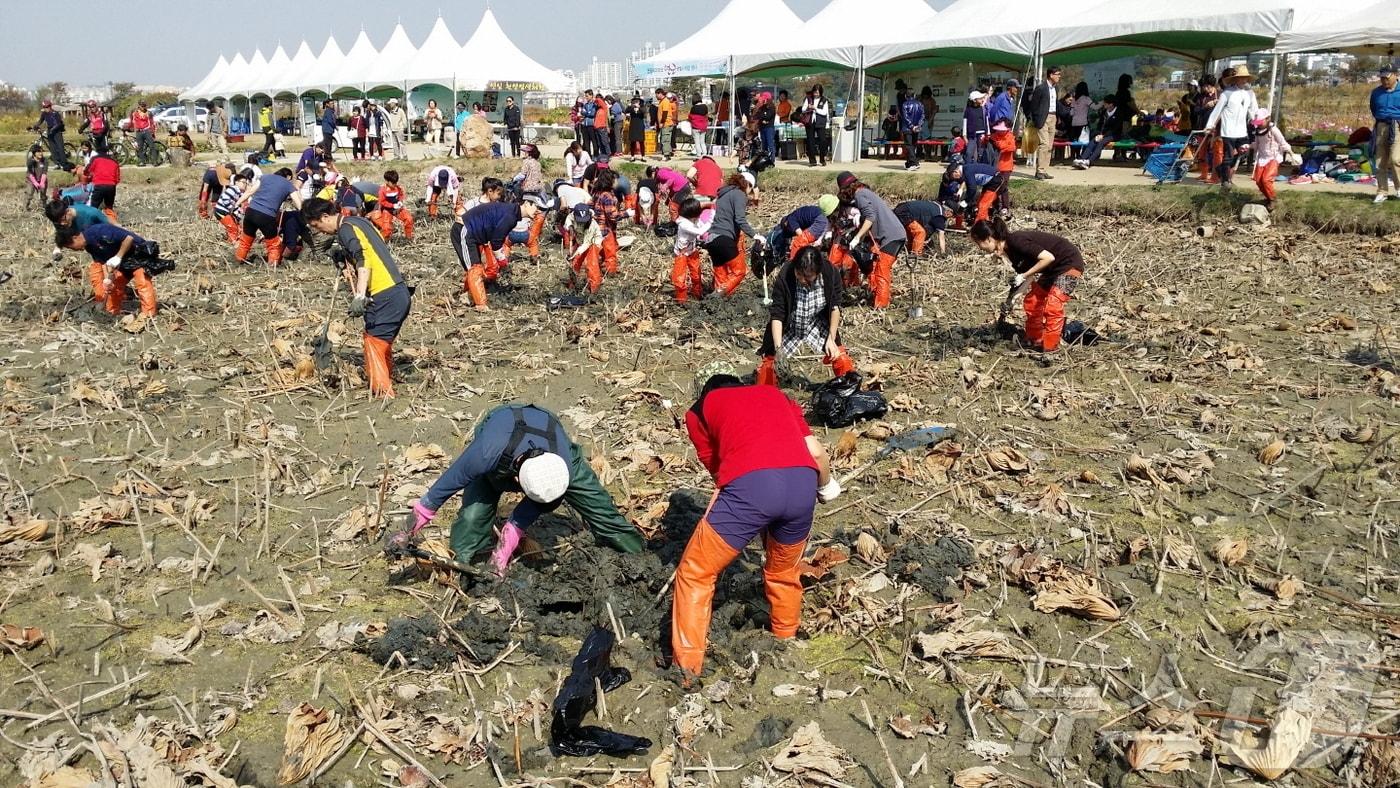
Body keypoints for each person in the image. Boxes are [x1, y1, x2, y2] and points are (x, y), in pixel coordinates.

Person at [671, 364, 839, 680]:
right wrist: (826, 487)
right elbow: (816, 454)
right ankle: (785, 641)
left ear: (705, 392)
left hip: (752, 490)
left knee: (696, 572)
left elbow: (719, 470)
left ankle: (687, 668)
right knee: (783, 570)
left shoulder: (698, 412)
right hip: (803, 485)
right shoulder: (776, 395)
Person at [393, 404, 644, 575]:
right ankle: (462, 570)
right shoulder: (484, 453)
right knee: (472, 518)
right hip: (502, 429)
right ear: (516, 482)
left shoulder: (562, 469)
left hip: (550, 436)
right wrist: (406, 531)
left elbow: (523, 517)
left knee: (601, 509)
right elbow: (436, 496)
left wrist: (500, 558)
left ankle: (640, 556)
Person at [302, 198, 411, 398]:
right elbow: (370, 246)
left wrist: (359, 296)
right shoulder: (358, 222)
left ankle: (382, 393)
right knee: (379, 339)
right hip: (398, 291)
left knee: (374, 342)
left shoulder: (345, 229)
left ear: (325, 217)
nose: (320, 231)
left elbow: (364, 259)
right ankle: (387, 378)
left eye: (317, 226)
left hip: (385, 293)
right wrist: (343, 255)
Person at [971, 216, 1084, 353]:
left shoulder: (1016, 241)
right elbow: (1028, 278)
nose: (979, 248)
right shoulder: (1011, 253)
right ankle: (1034, 340)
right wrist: (1012, 300)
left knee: (1053, 305)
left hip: (1068, 263)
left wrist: (1022, 276)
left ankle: (1050, 349)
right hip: (1052, 270)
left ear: (988, 239)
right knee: (1032, 301)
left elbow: (1048, 258)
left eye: (979, 243)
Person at [756, 245, 855, 386]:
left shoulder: (830, 273)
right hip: (791, 322)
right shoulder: (785, 274)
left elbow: (834, 307)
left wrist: (831, 338)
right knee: (770, 362)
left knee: (838, 354)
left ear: (818, 272)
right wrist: (778, 349)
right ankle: (765, 393)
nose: (802, 279)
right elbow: (777, 315)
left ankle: (849, 387)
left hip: (816, 321)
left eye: (808, 276)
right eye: (799, 274)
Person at [55, 221, 160, 318]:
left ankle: (149, 315)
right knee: (114, 286)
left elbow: (128, 239)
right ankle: (112, 314)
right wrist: (108, 279)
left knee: (142, 282)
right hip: (123, 262)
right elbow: (104, 262)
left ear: (75, 237)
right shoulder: (90, 246)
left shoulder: (99, 231)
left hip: (138, 254)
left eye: (71, 247)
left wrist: (118, 256)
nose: (74, 250)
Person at [836, 172, 905, 309]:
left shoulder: (860, 195)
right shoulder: (866, 192)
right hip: (896, 233)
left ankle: (881, 306)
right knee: (876, 266)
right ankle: (877, 296)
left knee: (881, 271)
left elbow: (870, 217)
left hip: (891, 236)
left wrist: (856, 238)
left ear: (846, 188)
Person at [459, 198, 539, 310]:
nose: (538, 211)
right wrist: (502, 260)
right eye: (536, 206)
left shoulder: (512, 213)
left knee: (475, 266)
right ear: (526, 203)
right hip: (466, 231)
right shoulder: (510, 216)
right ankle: (480, 305)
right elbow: (496, 242)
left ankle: (468, 295)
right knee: (474, 268)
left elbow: (497, 238)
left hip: (476, 235)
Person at [704, 173, 763, 298]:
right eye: (750, 189)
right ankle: (716, 297)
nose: (749, 193)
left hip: (711, 239)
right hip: (724, 238)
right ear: (747, 184)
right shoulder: (739, 194)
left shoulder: (723, 194)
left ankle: (719, 306)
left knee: (721, 276)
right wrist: (755, 235)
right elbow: (740, 219)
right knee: (740, 271)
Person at [1203, 66, 1260, 191]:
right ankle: (1225, 181)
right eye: (1241, 78)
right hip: (1228, 130)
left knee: (1243, 151)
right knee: (1228, 156)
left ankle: (1220, 169)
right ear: (1235, 79)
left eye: (1245, 78)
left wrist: (1258, 124)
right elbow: (1217, 111)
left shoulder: (1249, 94)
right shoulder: (1227, 93)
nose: (1243, 80)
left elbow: (1253, 111)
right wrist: (1210, 125)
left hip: (1241, 130)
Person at [234, 167, 302, 265]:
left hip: (251, 212)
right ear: (288, 177)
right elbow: (298, 202)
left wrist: (237, 204)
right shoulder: (288, 184)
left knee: (246, 239)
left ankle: (239, 260)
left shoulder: (264, 177)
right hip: (267, 216)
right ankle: (273, 265)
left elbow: (250, 192)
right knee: (273, 243)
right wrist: (303, 214)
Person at [46, 198, 113, 298]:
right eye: (58, 222)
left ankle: (111, 302)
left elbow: (112, 229)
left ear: (68, 211)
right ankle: (103, 300)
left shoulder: (91, 213)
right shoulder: (59, 220)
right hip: (92, 249)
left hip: (106, 246)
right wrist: (58, 248)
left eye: (63, 220)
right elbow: (61, 235)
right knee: (98, 277)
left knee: (109, 278)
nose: (62, 224)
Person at [1248, 108, 1292, 212]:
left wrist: (1291, 153)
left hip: (1273, 157)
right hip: (1262, 158)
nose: (1258, 124)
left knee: (1266, 179)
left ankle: (1273, 199)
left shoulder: (1274, 130)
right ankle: (1268, 197)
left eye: (1260, 122)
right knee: (1258, 181)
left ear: (1267, 119)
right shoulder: (1258, 131)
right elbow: (1257, 144)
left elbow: (1282, 142)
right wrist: (1248, 146)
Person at [671, 198, 713, 303]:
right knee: (679, 278)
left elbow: (701, 227)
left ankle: (697, 294)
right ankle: (682, 300)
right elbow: (699, 231)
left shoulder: (692, 219)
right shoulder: (683, 224)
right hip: (682, 253)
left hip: (692, 251)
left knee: (696, 273)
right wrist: (711, 219)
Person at [774, 195, 836, 262]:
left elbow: (801, 236)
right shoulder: (795, 217)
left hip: (819, 218)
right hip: (818, 215)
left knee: (797, 242)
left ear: (785, 224)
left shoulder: (791, 222)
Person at [1371, 63, 1400, 204]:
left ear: (1396, 75)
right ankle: (1382, 191)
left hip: (1398, 126)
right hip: (1381, 125)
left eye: (1387, 77)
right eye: (1382, 78)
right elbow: (1373, 108)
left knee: (1395, 159)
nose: (1384, 81)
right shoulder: (1376, 93)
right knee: (1380, 161)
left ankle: (1399, 188)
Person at [1024, 66, 1061, 180]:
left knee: (1049, 145)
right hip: (1042, 118)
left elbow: (1056, 103)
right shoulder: (1041, 88)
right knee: (1044, 144)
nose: (1059, 76)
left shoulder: (1056, 88)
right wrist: (1035, 119)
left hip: (1053, 117)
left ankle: (1044, 169)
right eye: (1057, 74)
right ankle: (1039, 170)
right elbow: (1034, 105)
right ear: (1051, 75)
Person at [1072, 95, 1124, 169]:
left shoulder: (1119, 113)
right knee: (1093, 141)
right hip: (1102, 134)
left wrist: (1103, 136)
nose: (1103, 104)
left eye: (1105, 103)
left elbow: (1116, 128)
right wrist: (1099, 134)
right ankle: (1082, 159)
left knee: (1101, 142)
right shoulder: (1104, 112)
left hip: (1114, 135)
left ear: (1111, 104)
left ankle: (1089, 161)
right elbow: (1100, 125)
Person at [979, 120, 1015, 221]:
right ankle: (995, 207)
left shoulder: (1010, 137)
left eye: (1002, 130)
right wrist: (985, 139)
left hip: (1006, 166)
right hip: (995, 167)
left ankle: (1005, 207)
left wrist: (999, 144)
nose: (1000, 132)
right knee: (993, 186)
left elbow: (1011, 148)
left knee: (1003, 186)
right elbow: (985, 143)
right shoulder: (993, 136)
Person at [566, 202, 604, 293]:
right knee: (575, 262)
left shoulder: (592, 226)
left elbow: (586, 244)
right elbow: (568, 219)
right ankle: (573, 283)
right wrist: (570, 227)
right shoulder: (572, 214)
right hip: (581, 240)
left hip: (593, 242)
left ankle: (594, 287)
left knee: (591, 264)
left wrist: (574, 254)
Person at [371, 170, 414, 240]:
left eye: (396, 182)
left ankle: (408, 237)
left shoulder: (398, 188)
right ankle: (384, 241)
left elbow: (401, 194)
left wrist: (400, 201)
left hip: (397, 208)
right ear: (387, 181)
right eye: (393, 183)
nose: (395, 184)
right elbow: (382, 202)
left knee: (409, 219)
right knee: (387, 228)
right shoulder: (383, 190)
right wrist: (392, 206)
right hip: (387, 210)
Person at [32, 99, 72, 172]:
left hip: (57, 131)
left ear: (50, 106)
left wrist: (53, 129)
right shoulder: (44, 113)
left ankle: (64, 164)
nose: (46, 108)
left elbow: (59, 123)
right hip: (50, 131)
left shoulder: (55, 113)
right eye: (44, 107)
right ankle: (57, 163)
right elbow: (40, 121)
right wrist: (35, 126)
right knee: (53, 149)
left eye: (47, 107)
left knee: (60, 148)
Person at [213, 169, 250, 244]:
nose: (245, 184)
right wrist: (232, 209)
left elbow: (239, 206)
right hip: (221, 211)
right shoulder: (233, 189)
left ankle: (234, 240)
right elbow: (225, 199)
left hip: (227, 211)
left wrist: (238, 214)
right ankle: (232, 242)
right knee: (232, 228)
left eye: (246, 183)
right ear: (236, 182)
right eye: (243, 182)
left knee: (236, 226)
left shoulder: (240, 193)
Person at [86, 149, 121, 223]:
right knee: (109, 207)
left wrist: (88, 176)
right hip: (111, 186)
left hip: (99, 185)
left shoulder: (95, 158)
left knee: (94, 207)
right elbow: (117, 179)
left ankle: (91, 223)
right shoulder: (114, 162)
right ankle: (112, 223)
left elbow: (88, 169)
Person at [802, 85, 831, 167]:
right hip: (810, 122)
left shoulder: (824, 100)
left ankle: (822, 159)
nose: (815, 94)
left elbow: (824, 112)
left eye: (817, 92)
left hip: (820, 122)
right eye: (814, 92)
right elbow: (803, 109)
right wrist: (808, 107)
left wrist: (815, 108)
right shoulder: (808, 98)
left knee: (822, 140)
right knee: (810, 141)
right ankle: (812, 161)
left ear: (820, 92)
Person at [900, 88, 925, 171]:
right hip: (916, 128)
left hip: (907, 128)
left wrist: (911, 126)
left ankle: (914, 163)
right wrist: (918, 126)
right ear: (914, 95)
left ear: (905, 96)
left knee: (909, 146)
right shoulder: (920, 104)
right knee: (912, 146)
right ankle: (909, 163)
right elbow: (922, 116)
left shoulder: (905, 104)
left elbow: (905, 117)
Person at [963, 91, 990, 166]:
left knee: (981, 152)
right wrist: (964, 136)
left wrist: (988, 133)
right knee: (969, 152)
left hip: (982, 134)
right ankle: (967, 167)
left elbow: (986, 121)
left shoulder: (983, 109)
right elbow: (965, 122)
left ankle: (981, 167)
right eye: (980, 98)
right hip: (972, 135)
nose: (982, 100)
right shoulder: (968, 110)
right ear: (974, 100)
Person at [1068, 81, 1093, 146]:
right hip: (1083, 123)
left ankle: (1073, 155)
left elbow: (1071, 113)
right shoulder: (1086, 99)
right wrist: (1102, 103)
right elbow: (1095, 107)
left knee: (1074, 140)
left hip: (1074, 123)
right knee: (1082, 140)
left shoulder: (1074, 99)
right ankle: (1079, 155)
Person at [657, 89, 677, 160]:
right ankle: (668, 153)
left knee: (665, 140)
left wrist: (662, 122)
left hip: (666, 123)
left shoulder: (665, 101)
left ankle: (666, 155)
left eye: (656, 94)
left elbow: (665, 113)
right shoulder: (662, 101)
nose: (656, 96)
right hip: (667, 123)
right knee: (667, 139)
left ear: (660, 94)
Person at [756, 92, 778, 160]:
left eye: (764, 99)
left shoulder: (772, 108)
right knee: (764, 144)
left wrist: (763, 117)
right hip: (762, 128)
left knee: (770, 144)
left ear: (768, 99)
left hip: (769, 128)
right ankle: (765, 160)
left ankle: (772, 160)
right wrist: (763, 118)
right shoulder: (762, 107)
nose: (763, 100)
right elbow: (758, 115)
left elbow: (768, 116)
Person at [626, 96, 647, 162]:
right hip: (633, 126)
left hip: (640, 126)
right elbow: (626, 111)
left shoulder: (642, 107)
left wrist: (639, 107)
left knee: (641, 142)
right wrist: (630, 106)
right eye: (635, 101)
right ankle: (632, 156)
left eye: (637, 101)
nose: (636, 102)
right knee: (632, 142)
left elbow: (644, 113)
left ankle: (643, 156)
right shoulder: (631, 108)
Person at [25, 146, 47, 211]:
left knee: (43, 194)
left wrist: (42, 182)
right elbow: (30, 173)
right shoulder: (30, 161)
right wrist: (35, 182)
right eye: (39, 152)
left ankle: (44, 207)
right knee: (29, 193)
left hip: (42, 178)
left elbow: (44, 172)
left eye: (41, 151)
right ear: (34, 153)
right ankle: (25, 207)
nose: (41, 153)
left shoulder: (45, 160)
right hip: (31, 179)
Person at [689, 93, 710, 158]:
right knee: (702, 142)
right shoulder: (705, 107)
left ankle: (699, 155)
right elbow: (706, 116)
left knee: (697, 143)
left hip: (695, 127)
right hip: (703, 127)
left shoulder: (693, 108)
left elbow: (690, 117)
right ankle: (705, 154)